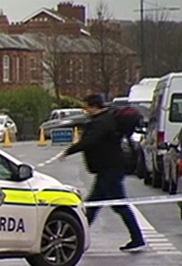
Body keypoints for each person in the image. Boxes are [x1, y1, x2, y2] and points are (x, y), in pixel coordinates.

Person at [60, 94, 145, 251]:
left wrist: (68, 151)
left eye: (86, 107)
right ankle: (76, 238)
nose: (85, 110)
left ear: (94, 107)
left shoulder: (101, 122)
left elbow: (88, 141)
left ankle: (74, 239)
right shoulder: (106, 119)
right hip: (110, 168)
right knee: (98, 204)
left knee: (105, 204)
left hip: (109, 169)